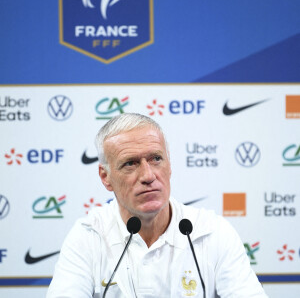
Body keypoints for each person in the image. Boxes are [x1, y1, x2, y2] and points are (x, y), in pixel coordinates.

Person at [47, 113, 267, 297]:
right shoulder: (89, 236)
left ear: (169, 166)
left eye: (156, 159)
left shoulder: (211, 232)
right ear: (106, 177)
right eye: (130, 163)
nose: (148, 175)